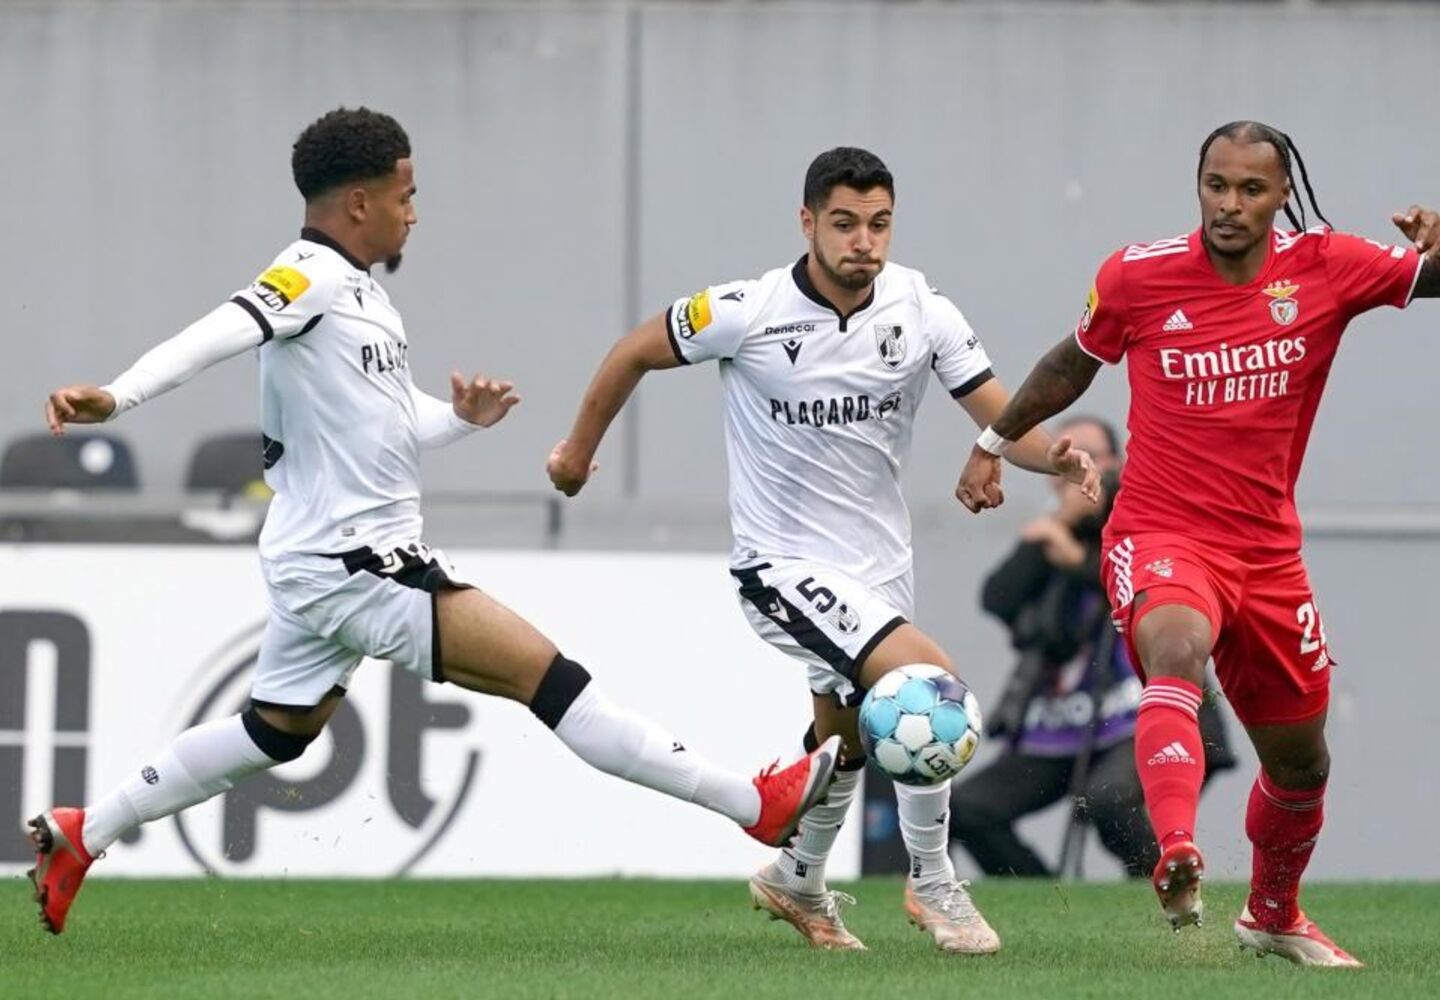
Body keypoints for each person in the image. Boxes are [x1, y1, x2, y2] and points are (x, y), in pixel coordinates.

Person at [30, 107, 841, 936]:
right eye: (405, 195)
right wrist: (118, 396)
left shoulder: (363, 297)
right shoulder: (307, 275)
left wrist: (458, 419)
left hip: (323, 561)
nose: (414, 212)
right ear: (358, 203)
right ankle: (755, 806)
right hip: (358, 564)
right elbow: (224, 328)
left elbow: (384, 424)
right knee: (551, 680)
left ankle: (83, 833)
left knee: (274, 733)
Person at [954, 120, 1440, 966]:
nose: (1229, 204)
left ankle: (1273, 914)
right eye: (1216, 184)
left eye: (1250, 188)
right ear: (1198, 184)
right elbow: (1073, 361)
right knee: (1177, 648)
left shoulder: (1329, 265)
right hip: (1160, 530)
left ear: (1282, 194)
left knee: (1302, 763)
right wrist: (993, 443)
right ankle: (1177, 852)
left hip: (1268, 554)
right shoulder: (1137, 274)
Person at [548, 147, 1099, 953]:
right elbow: (634, 350)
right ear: (807, 222)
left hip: (880, 569)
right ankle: (934, 882)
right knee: (929, 689)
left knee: (843, 742)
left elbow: (1000, 413)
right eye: (844, 223)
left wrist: (1054, 457)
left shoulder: (921, 308)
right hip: (780, 567)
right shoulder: (747, 310)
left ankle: (796, 877)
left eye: (879, 224)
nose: (863, 242)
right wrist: (574, 454)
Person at [950, 417, 1234, 879]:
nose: (1078, 467)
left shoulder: (1145, 516)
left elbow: (1148, 584)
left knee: (1110, 800)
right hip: (1062, 724)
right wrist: (1059, 529)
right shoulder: (1054, 532)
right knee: (965, 808)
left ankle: (1166, 888)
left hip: (1142, 716)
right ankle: (1045, 902)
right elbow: (998, 598)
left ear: (1117, 464)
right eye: (1066, 456)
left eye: (1091, 455)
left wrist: (1078, 558)